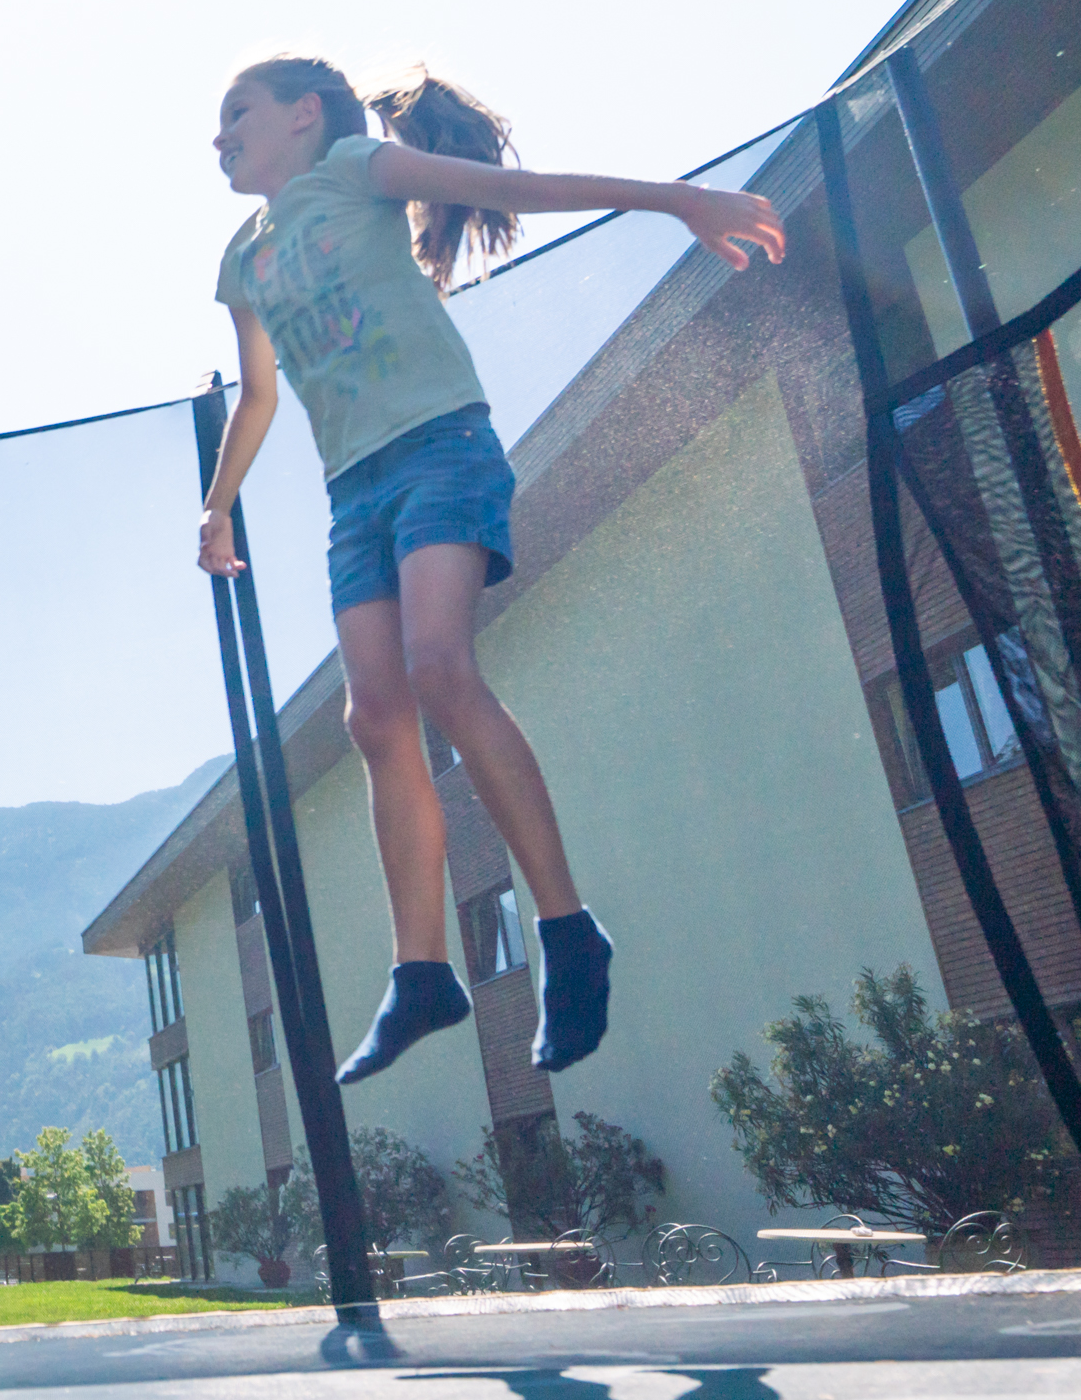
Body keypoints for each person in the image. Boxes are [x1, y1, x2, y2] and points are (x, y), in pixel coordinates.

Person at [194, 57, 782, 1084]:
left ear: (301, 115)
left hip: (439, 446)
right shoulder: (240, 260)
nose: (219, 135)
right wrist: (216, 503)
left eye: (234, 114)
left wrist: (675, 200)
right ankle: (422, 973)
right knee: (372, 716)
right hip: (354, 491)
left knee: (438, 667)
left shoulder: (352, 166)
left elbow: (516, 191)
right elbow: (257, 395)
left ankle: (565, 931)